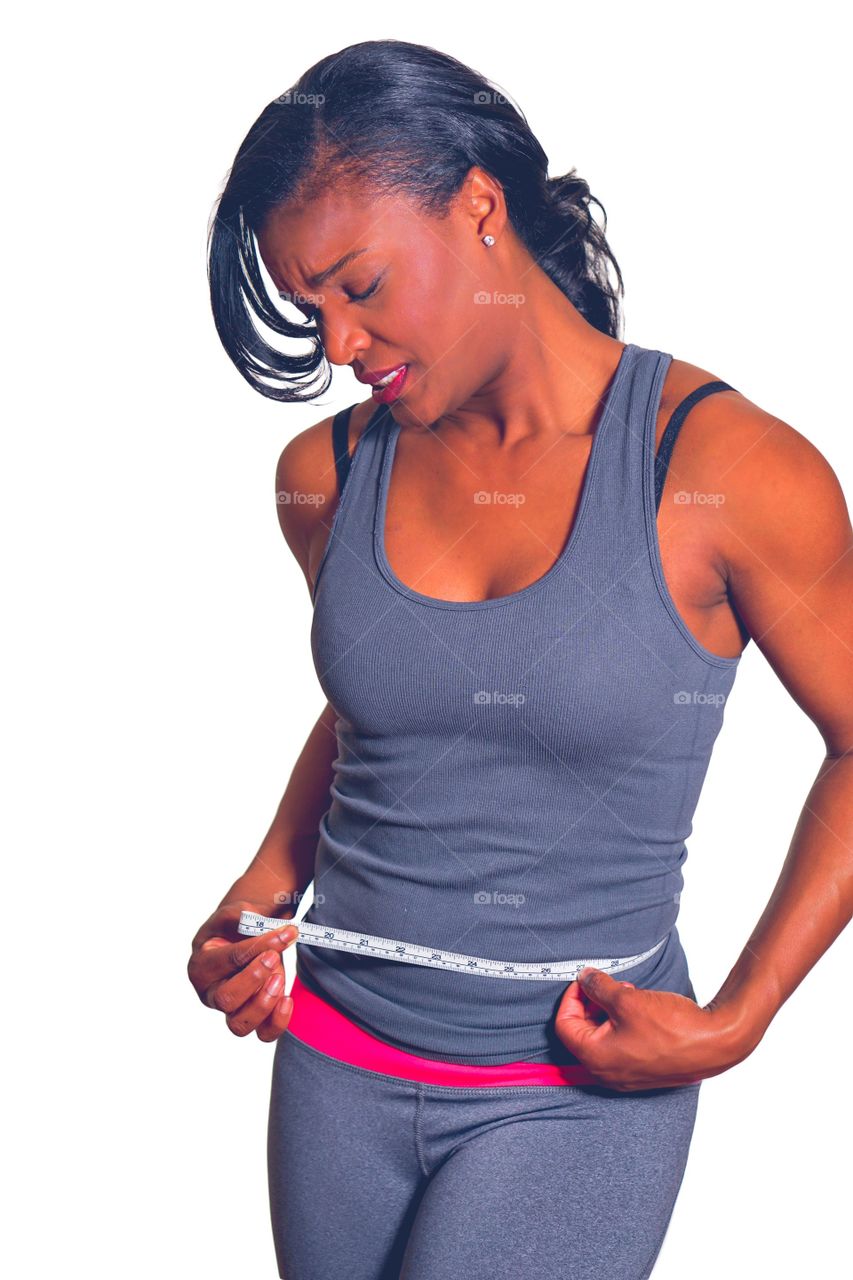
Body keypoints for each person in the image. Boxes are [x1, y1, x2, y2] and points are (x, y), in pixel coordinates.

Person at [187, 38, 853, 1280]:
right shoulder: (326, 474)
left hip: (571, 1082)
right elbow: (393, 710)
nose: (338, 341)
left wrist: (737, 1019)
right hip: (334, 1068)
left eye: (359, 285)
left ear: (479, 206)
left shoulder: (727, 473)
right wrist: (263, 888)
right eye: (310, 308)